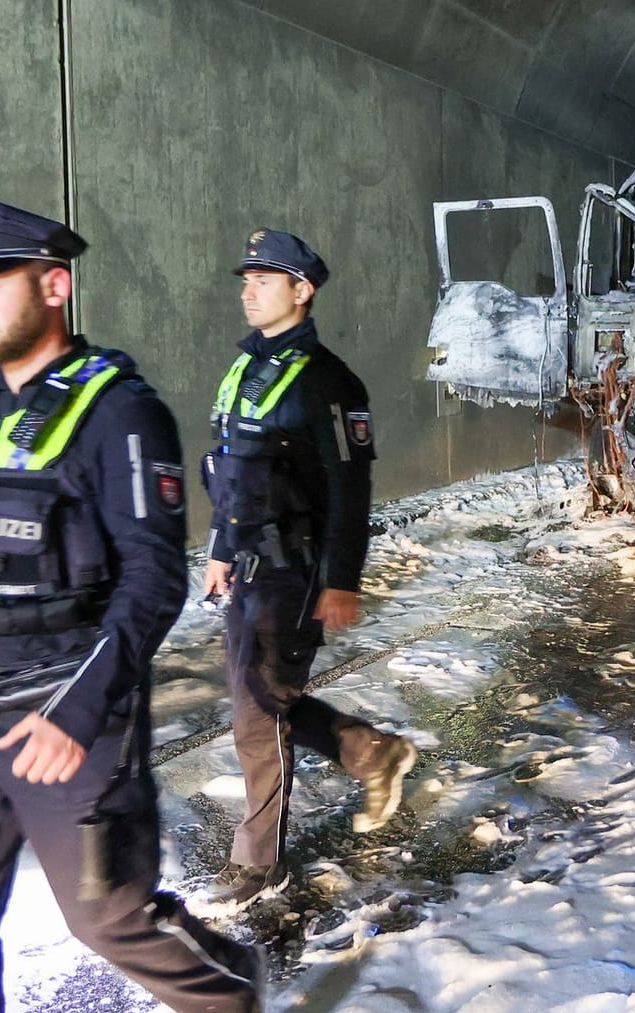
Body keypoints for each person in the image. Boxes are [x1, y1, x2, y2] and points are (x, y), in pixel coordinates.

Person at [0, 197, 265, 1013]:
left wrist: (78, 711)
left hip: (69, 718)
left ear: (53, 286)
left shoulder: (121, 414)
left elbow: (152, 577)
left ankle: (229, 997)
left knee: (107, 917)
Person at [198, 229, 415, 909]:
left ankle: (259, 863)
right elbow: (232, 474)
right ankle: (370, 753)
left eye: (265, 279)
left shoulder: (329, 382)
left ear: (302, 290)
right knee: (264, 703)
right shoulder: (243, 370)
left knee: (256, 719)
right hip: (248, 568)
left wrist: (342, 581)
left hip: (294, 574)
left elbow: (351, 493)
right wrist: (218, 550)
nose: (249, 290)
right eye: (247, 279)